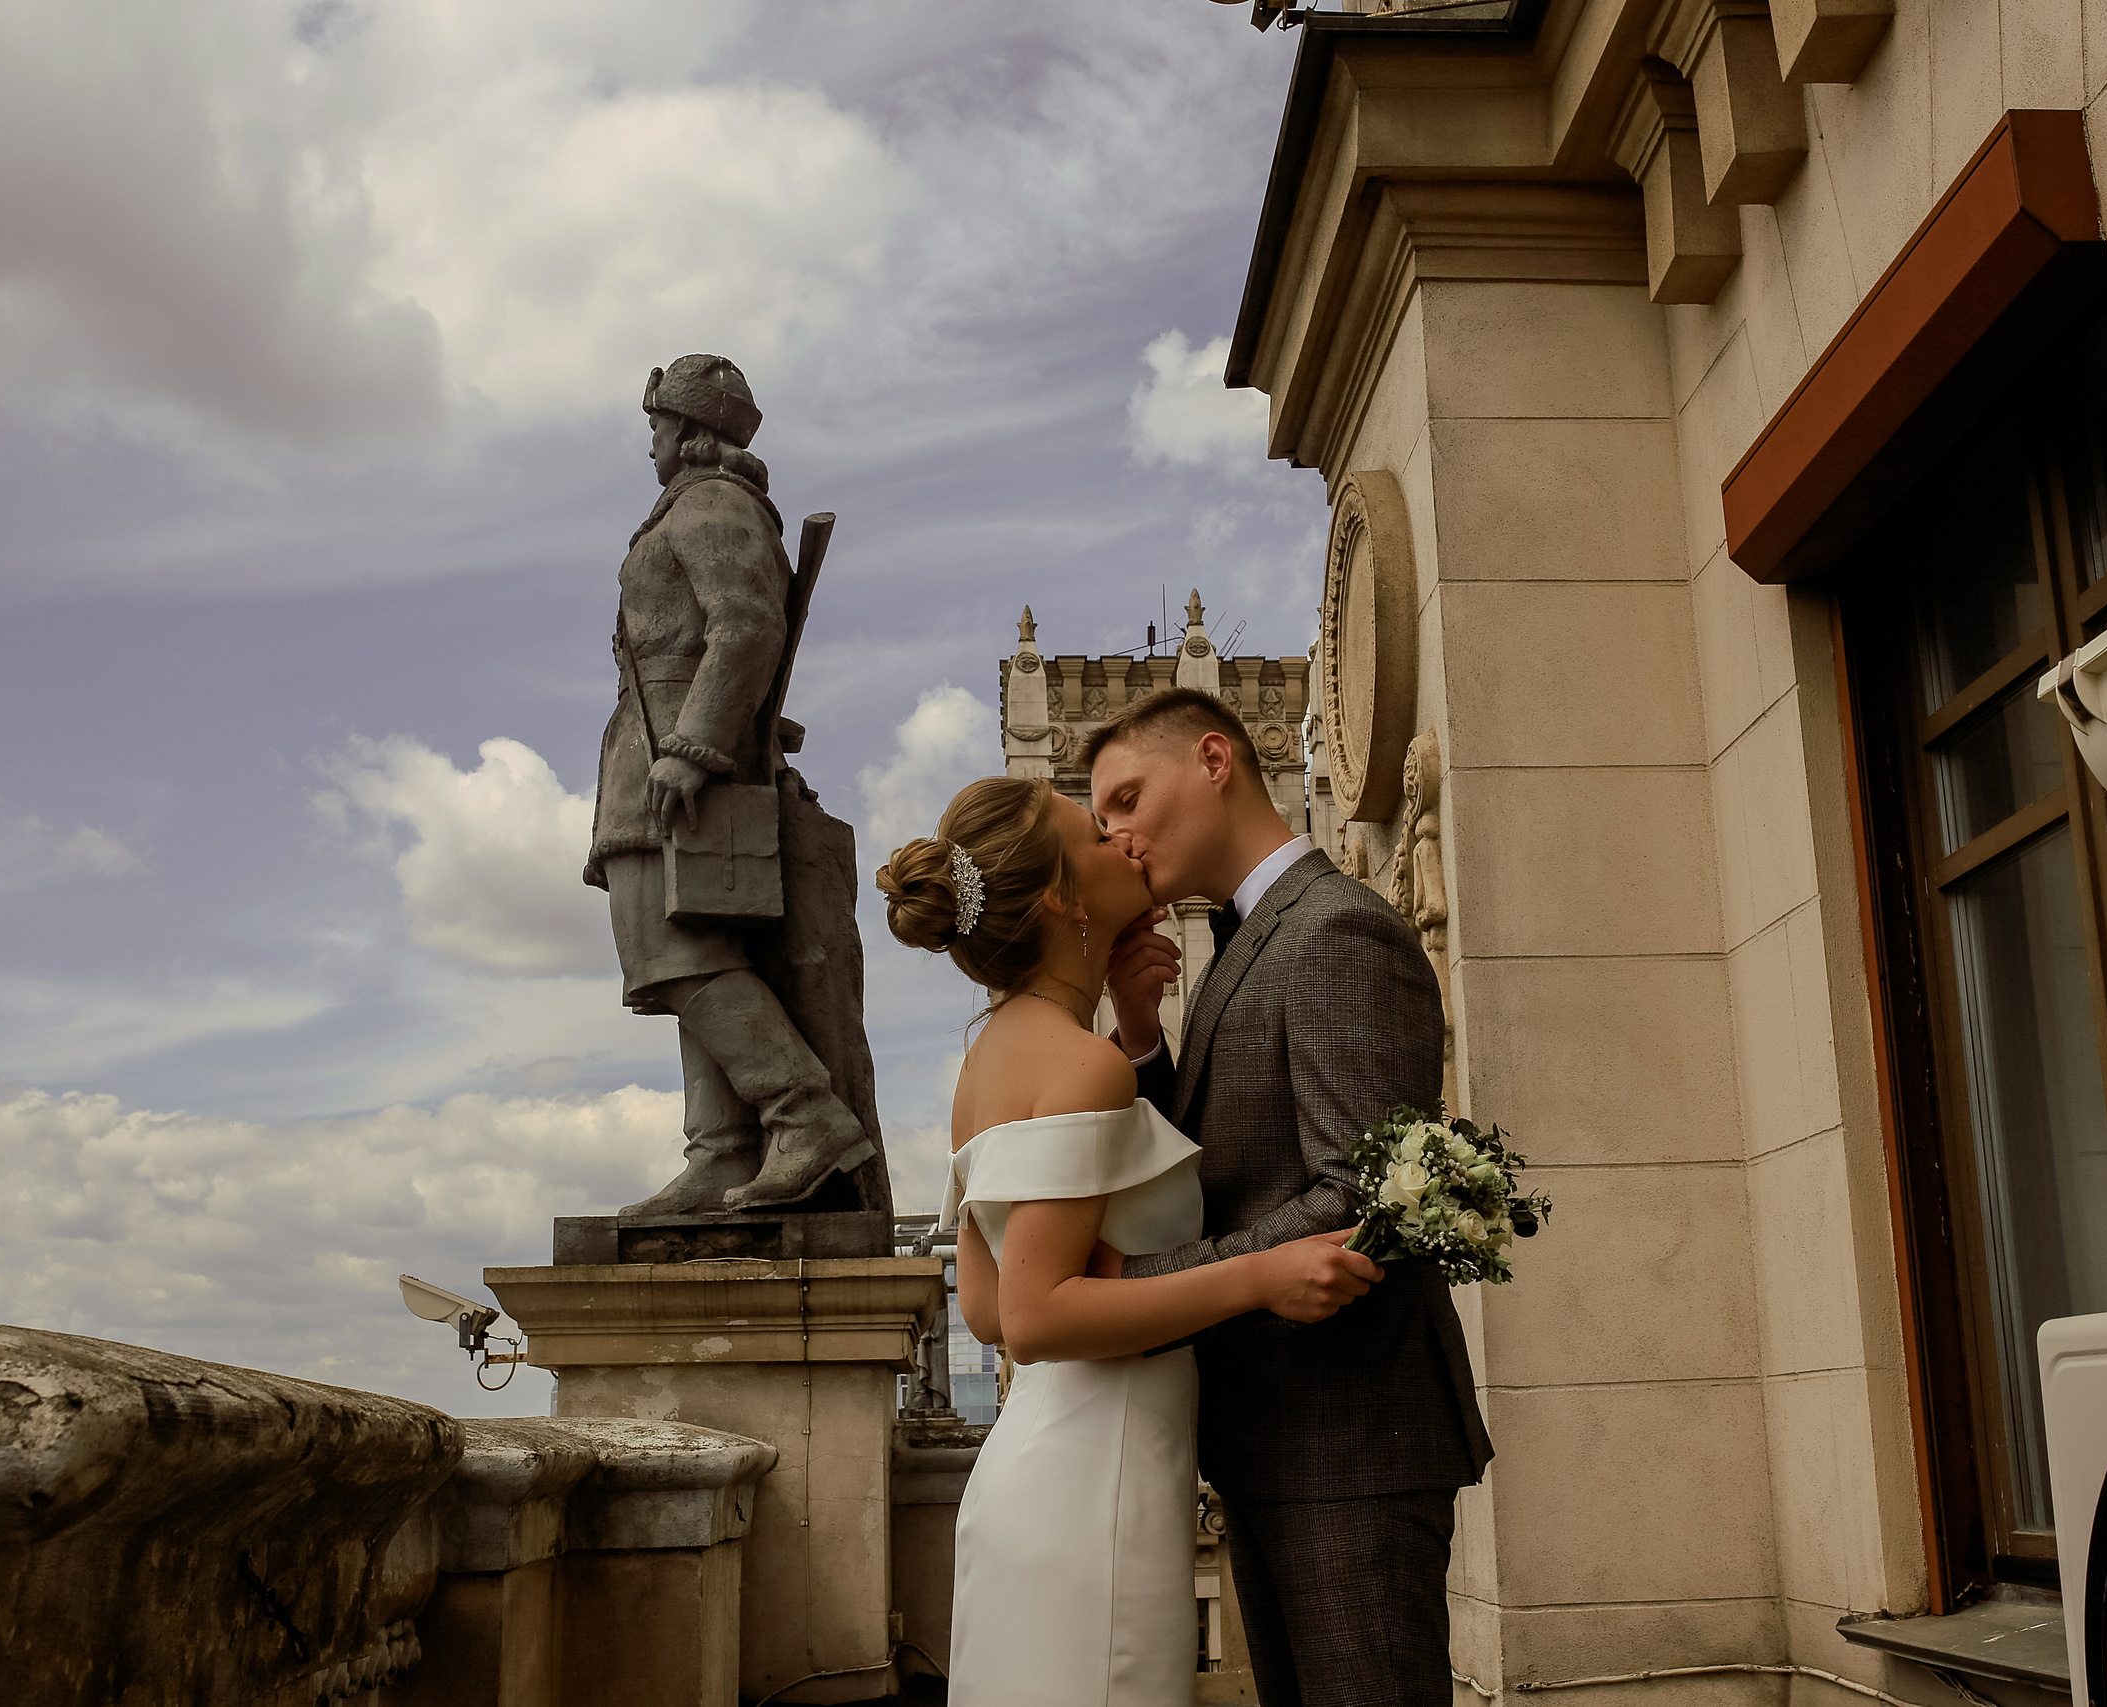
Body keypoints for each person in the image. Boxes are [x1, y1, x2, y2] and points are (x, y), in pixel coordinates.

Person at [876, 776, 1381, 1707]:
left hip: (1035, 1475)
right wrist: (1258, 1274)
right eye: (1095, 835)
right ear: (1062, 897)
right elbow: (1033, 1317)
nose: (1125, 841)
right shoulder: (1082, 1066)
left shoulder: (988, 1059)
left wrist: (1134, 1022)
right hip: (1100, 1486)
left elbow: (985, 1308)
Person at [1085, 686, 1491, 1707]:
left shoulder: (1337, 930)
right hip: (1276, 1431)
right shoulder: (1250, 939)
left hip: (1349, 1433)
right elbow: (1224, 1164)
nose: (1117, 835)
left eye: (1128, 799)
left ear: (1214, 760)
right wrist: (1141, 1033)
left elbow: (1353, 1200)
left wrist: (1138, 1286)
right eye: (1101, 819)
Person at [584, 352, 874, 1215]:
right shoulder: (691, 505)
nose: (651, 444)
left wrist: (699, 745)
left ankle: (806, 1115)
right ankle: (723, 1150)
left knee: (681, 956)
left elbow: (745, 624)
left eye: (658, 426)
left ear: (691, 431)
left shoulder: (714, 503)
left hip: (677, 763)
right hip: (655, 751)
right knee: (682, 953)